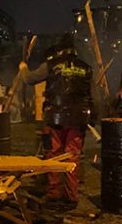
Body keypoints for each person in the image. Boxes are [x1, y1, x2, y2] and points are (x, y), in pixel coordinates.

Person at [21, 34, 92, 206]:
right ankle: (71, 196)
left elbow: (29, 79)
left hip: (55, 118)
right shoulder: (86, 68)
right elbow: (91, 95)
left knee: (53, 154)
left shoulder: (51, 65)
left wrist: (23, 67)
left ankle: (54, 192)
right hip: (78, 118)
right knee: (72, 157)